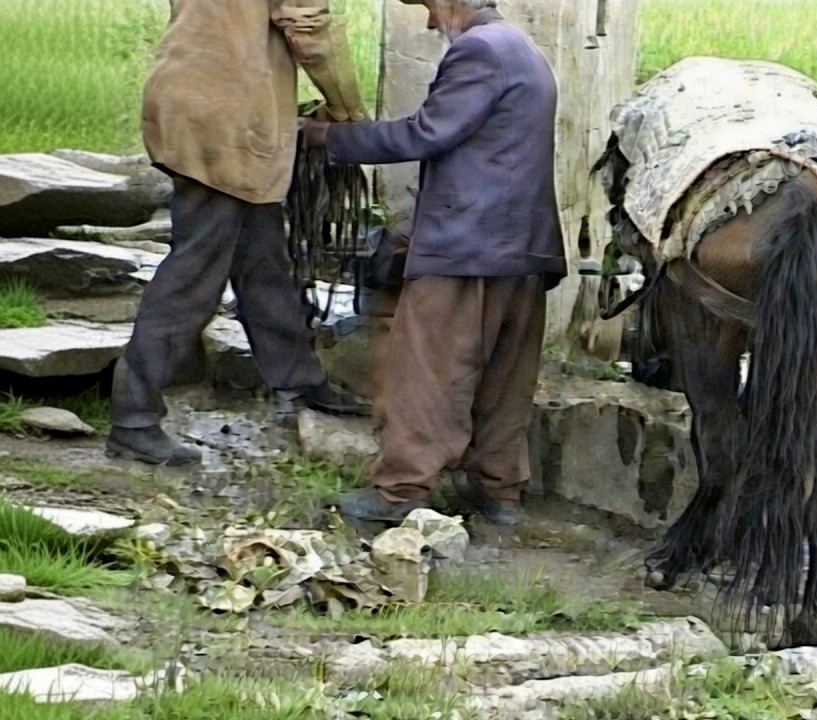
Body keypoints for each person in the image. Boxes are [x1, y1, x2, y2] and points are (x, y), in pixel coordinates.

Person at [300, 0, 566, 526]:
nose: (425, 19)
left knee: (427, 373)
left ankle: (400, 491)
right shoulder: (522, 50)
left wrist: (328, 137)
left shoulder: (478, 50)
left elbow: (425, 132)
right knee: (505, 380)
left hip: (467, 246)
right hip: (523, 248)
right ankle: (498, 493)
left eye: (426, 6)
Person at [107, 0, 374, 466]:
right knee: (195, 272)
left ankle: (297, 379)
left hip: (195, 102)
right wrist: (348, 112)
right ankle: (134, 417)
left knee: (262, 258)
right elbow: (307, 27)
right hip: (227, 118)